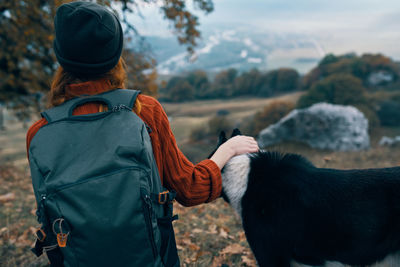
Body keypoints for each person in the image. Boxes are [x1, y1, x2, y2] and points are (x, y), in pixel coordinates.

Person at [26, 1, 259, 266]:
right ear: (115, 54)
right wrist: (227, 150)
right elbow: (191, 189)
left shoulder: (39, 134)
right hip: (152, 256)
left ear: (61, 56)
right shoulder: (144, 111)